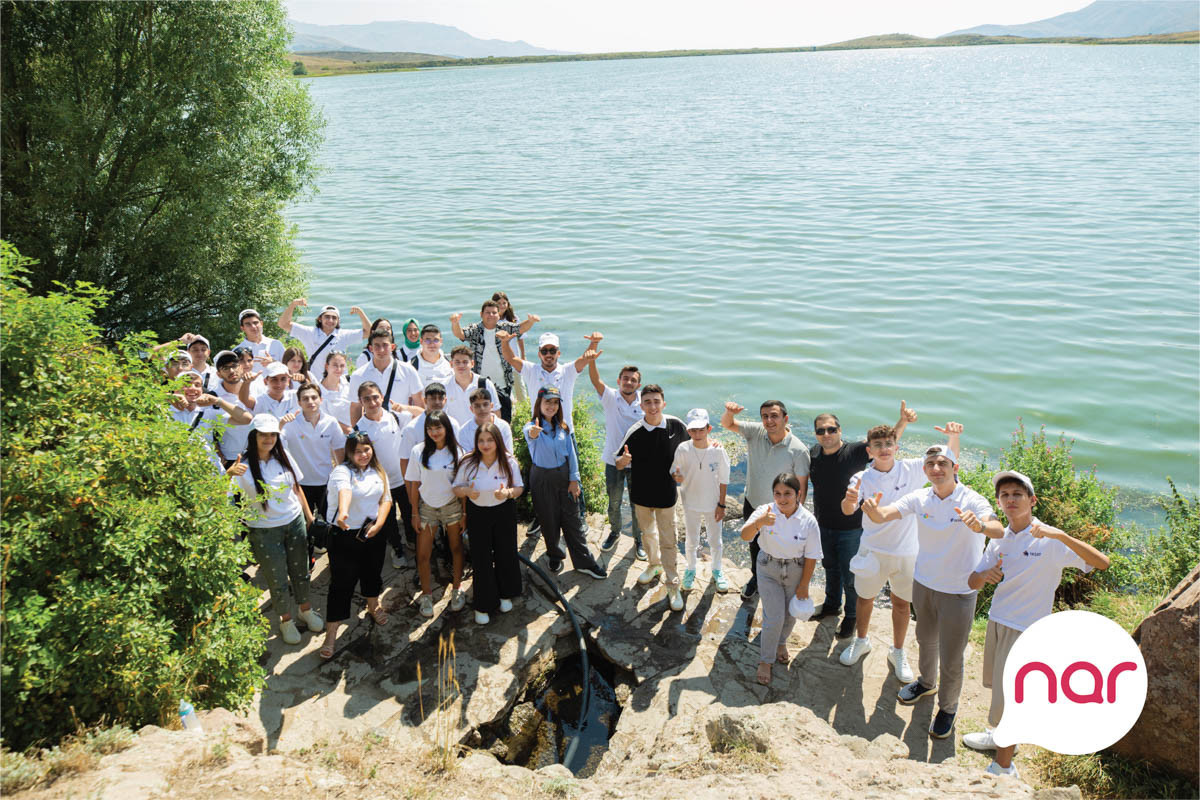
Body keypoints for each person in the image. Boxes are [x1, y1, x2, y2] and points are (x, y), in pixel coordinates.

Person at [963, 470, 1110, 777]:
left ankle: (1004, 766)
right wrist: (984, 578)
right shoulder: (1000, 539)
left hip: (1028, 629)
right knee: (1000, 690)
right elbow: (973, 581)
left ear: (1032, 500)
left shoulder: (1050, 540)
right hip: (998, 621)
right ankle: (1000, 738)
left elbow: (1101, 563)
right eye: (1004, 495)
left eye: (1017, 494)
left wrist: (1061, 535)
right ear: (999, 503)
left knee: (1014, 697)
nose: (1010, 500)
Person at [861, 443, 1004, 740]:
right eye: (930, 464)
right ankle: (927, 683)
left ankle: (948, 708)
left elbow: (998, 529)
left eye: (942, 463)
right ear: (924, 470)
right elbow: (886, 514)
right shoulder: (920, 497)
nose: (936, 469)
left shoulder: (971, 500)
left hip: (959, 591)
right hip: (924, 582)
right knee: (925, 641)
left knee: (952, 656)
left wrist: (979, 527)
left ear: (955, 468)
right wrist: (873, 511)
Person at [837, 421, 962, 679]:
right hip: (872, 549)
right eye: (878, 445)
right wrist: (849, 502)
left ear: (897, 447)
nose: (884, 449)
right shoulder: (862, 478)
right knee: (864, 599)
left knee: (902, 604)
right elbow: (847, 510)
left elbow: (947, 461)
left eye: (889, 444)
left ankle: (897, 650)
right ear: (869, 450)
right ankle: (861, 641)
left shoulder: (914, 469)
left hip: (908, 552)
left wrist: (953, 437)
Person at [809, 401, 917, 639]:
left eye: (831, 429)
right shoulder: (814, 453)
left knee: (851, 575)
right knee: (830, 568)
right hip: (823, 524)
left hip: (852, 528)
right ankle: (831, 605)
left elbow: (885, 446)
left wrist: (903, 421)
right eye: (820, 430)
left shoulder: (856, 451)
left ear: (839, 431)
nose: (826, 434)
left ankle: (851, 617)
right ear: (816, 434)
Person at [228, 414, 323, 645]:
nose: (269, 438)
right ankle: (286, 620)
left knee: (301, 570)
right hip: (263, 529)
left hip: (294, 522)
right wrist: (227, 475)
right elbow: (226, 496)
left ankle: (305, 609)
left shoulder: (283, 456)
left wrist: (310, 519)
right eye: (263, 434)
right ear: (254, 436)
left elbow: (297, 488)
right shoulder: (243, 466)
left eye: (272, 434)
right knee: (277, 576)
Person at [720, 399, 812, 601]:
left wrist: (794, 517)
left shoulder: (798, 450)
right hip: (752, 503)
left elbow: (801, 488)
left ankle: (782, 582)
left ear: (785, 419)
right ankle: (756, 578)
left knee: (779, 548)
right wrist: (729, 412)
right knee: (755, 544)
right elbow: (727, 424)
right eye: (765, 416)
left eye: (774, 416)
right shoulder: (756, 432)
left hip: (781, 511)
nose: (769, 421)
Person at [741, 472, 822, 686]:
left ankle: (781, 643)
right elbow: (745, 535)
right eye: (777, 493)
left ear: (799, 494)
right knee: (774, 617)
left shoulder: (808, 520)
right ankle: (765, 660)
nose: (782, 499)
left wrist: (804, 585)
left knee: (790, 615)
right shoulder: (765, 511)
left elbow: (812, 556)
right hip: (768, 567)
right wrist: (760, 522)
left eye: (787, 493)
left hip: (795, 569)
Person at [615, 384, 689, 610]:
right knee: (647, 534)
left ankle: (672, 583)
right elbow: (618, 462)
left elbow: (694, 447)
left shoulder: (676, 425)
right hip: (641, 495)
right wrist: (623, 461)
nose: (652, 406)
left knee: (669, 541)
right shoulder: (634, 431)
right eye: (647, 402)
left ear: (663, 403)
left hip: (666, 496)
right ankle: (653, 564)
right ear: (641, 405)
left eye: (656, 401)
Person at [321, 430, 392, 659]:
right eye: (357, 451)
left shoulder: (378, 471)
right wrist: (343, 512)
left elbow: (386, 499)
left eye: (366, 449)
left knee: (372, 572)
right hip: (345, 534)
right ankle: (331, 632)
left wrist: (380, 524)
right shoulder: (341, 472)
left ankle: (373, 605)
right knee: (341, 582)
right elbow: (345, 492)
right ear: (349, 453)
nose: (363, 455)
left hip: (372, 532)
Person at [524, 386, 607, 578]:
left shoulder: (563, 427)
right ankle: (555, 554)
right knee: (548, 520)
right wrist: (534, 432)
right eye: (547, 402)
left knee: (573, 520)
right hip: (542, 477)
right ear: (539, 404)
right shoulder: (531, 426)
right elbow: (530, 434)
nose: (551, 406)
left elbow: (572, 455)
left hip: (564, 475)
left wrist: (574, 479)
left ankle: (584, 562)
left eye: (555, 402)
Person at [452, 423, 525, 625]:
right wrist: (467, 492)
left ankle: (505, 594)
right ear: (476, 442)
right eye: (481, 440)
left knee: (506, 552)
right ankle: (484, 603)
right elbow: (456, 487)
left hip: (503, 511)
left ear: (497, 441)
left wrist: (508, 493)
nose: (486, 444)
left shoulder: (508, 461)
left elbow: (519, 487)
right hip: (478, 513)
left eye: (490, 440)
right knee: (481, 557)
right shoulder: (468, 462)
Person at [405, 411, 468, 617]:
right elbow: (415, 483)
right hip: (427, 507)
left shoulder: (457, 452)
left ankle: (457, 589)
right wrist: (414, 512)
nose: (434, 432)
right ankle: (426, 594)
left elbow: (463, 486)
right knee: (423, 555)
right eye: (430, 429)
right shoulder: (418, 451)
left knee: (456, 548)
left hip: (452, 506)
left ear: (447, 428)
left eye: (438, 428)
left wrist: (465, 513)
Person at [585, 346, 645, 558]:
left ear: (638, 384)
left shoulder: (645, 403)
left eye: (633, 380)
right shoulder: (610, 397)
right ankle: (615, 532)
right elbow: (595, 381)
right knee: (614, 502)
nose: (629, 382)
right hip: (613, 460)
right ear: (619, 381)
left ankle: (639, 539)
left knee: (638, 504)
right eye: (625, 379)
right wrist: (592, 360)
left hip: (638, 464)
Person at [353, 381, 416, 570]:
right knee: (388, 521)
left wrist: (404, 406)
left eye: (375, 397)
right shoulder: (359, 429)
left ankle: (413, 541)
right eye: (367, 399)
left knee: (408, 512)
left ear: (382, 397)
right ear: (361, 401)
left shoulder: (394, 416)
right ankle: (396, 549)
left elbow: (422, 414)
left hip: (403, 478)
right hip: (380, 484)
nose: (372, 402)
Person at [281, 382, 347, 562]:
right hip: (300, 485)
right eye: (305, 398)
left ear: (321, 399)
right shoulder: (290, 423)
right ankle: (306, 562)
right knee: (303, 527)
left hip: (326, 482)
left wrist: (343, 479)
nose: (310, 401)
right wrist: (279, 424)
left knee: (330, 522)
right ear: (299, 402)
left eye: (314, 397)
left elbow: (339, 450)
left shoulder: (330, 422)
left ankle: (333, 557)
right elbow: (276, 443)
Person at [671, 409, 731, 593]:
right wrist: (677, 476)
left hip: (713, 505)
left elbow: (724, 479)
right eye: (693, 430)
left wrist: (721, 504)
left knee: (715, 540)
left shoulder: (718, 450)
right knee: (691, 540)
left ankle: (717, 570)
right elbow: (674, 471)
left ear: (709, 428)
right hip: (690, 504)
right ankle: (690, 569)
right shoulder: (683, 449)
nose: (697, 434)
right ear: (688, 431)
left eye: (701, 429)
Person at [449, 300, 538, 421]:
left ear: (499, 315)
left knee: (505, 419)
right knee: (480, 418)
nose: (491, 315)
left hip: (503, 383)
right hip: (480, 384)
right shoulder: (475, 329)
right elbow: (460, 334)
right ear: (481, 314)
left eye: (494, 313)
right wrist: (455, 323)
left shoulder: (504, 328)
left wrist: (531, 321)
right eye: (487, 312)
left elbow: (520, 328)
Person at [498, 330, 597, 432]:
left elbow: (586, 358)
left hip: (565, 432)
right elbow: (511, 358)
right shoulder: (531, 370)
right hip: (539, 432)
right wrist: (504, 342)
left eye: (552, 351)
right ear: (539, 354)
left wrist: (594, 343)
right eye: (544, 351)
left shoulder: (567, 371)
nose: (548, 354)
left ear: (558, 353)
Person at [171, 369, 254, 470]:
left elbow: (246, 419)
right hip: (178, 469)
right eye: (186, 384)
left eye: (197, 385)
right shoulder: (164, 411)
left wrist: (217, 401)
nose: (192, 388)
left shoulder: (207, 413)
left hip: (209, 470)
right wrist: (168, 397)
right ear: (176, 389)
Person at [276, 299, 370, 376]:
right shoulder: (309, 333)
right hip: (316, 382)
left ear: (338, 321)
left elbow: (369, 332)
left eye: (334, 318)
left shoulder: (343, 335)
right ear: (320, 319)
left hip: (339, 382)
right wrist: (293, 304)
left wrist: (361, 313)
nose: (330, 320)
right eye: (327, 317)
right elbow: (283, 324)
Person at [348, 329, 424, 423]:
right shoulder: (358, 375)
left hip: (402, 430)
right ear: (370, 349)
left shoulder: (408, 370)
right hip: (372, 431)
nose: (381, 350)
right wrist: (358, 435)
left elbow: (419, 404)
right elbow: (356, 408)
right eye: (377, 346)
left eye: (385, 345)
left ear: (392, 347)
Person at [210, 350, 258, 469]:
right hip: (229, 459)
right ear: (219, 374)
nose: (231, 371)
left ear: (241, 367)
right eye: (225, 368)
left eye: (234, 366)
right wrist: (218, 454)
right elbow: (208, 429)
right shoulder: (213, 396)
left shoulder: (256, 387)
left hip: (257, 455)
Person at [443, 344, 500, 427]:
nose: (461, 365)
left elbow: (496, 413)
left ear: (472, 363)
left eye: (465, 362)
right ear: (451, 364)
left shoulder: (485, 384)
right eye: (457, 362)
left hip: (481, 436)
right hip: (455, 437)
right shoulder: (444, 386)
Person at [459, 387, 515, 453]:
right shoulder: (464, 431)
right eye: (477, 406)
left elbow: (508, 455)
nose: (482, 409)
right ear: (471, 409)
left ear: (491, 406)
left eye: (485, 404)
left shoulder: (503, 426)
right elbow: (467, 460)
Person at [319, 351, 353, 433]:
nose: (339, 369)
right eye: (335, 365)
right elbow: (326, 419)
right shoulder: (318, 391)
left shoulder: (349, 384)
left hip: (354, 435)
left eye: (342, 366)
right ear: (326, 366)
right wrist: (350, 432)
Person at [412, 324, 454, 388]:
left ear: (441, 341)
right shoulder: (411, 367)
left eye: (436, 340)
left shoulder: (449, 364)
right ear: (421, 341)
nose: (432, 344)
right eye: (428, 340)